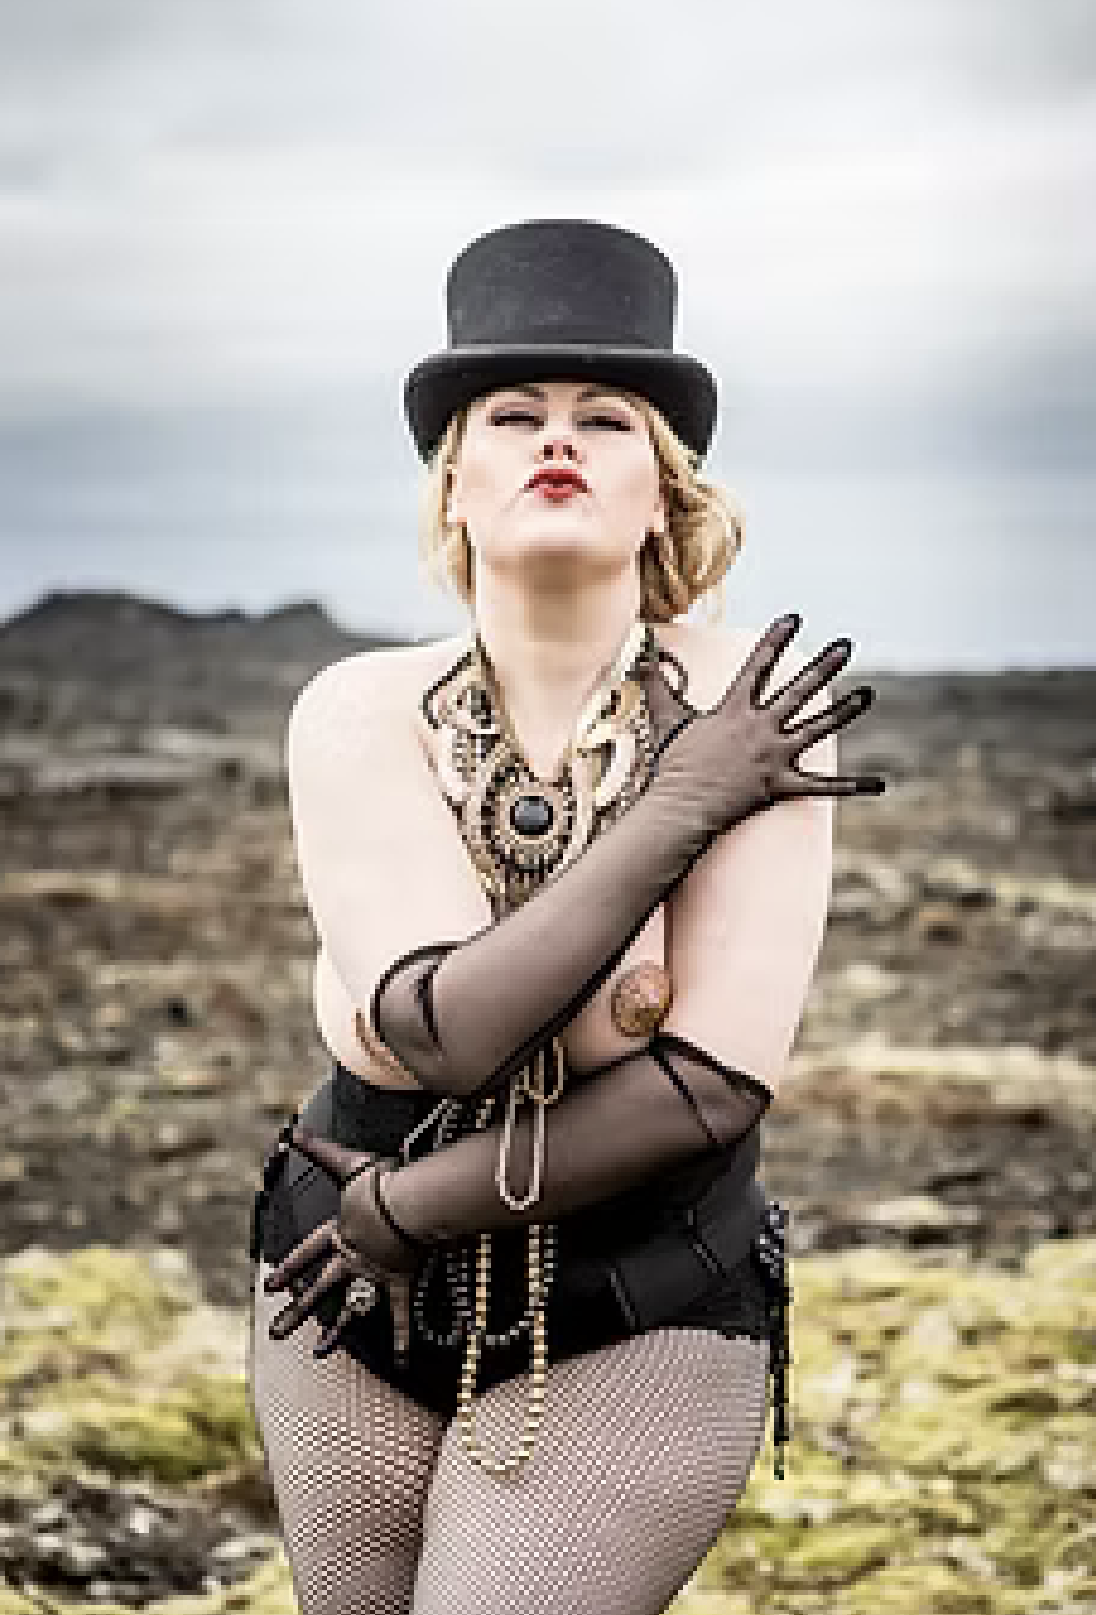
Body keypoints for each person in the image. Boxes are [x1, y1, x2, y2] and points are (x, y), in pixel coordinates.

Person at [247, 218, 885, 1615]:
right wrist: (675, 813)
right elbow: (450, 1029)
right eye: (515, 414)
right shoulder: (359, 708)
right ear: (455, 486)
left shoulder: (754, 707)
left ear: (663, 497)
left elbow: (707, 1087)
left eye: (607, 419)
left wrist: (408, 1207)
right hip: (342, 1295)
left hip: (635, 1301)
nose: (559, 437)